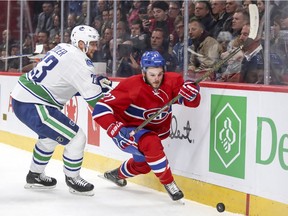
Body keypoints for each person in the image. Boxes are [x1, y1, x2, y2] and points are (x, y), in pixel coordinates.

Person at [10, 25, 111, 196]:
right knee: (77, 138)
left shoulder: (63, 47)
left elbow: (65, 81)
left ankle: (35, 175)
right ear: (81, 44)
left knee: (49, 137)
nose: (95, 47)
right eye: (92, 44)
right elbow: (95, 101)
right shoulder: (82, 64)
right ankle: (73, 179)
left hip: (24, 99)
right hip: (35, 104)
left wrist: (94, 82)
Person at [92, 51, 201, 201]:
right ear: (143, 72)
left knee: (143, 165)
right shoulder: (131, 85)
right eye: (152, 75)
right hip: (128, 132)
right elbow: (100, 110)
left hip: (150, 131)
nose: (156, 79)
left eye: (159, 74)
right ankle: (170, 184)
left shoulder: (172, 81)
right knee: (151, 143)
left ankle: (115, 175)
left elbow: (192, 103)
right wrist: (116, 130)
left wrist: (193, 94)